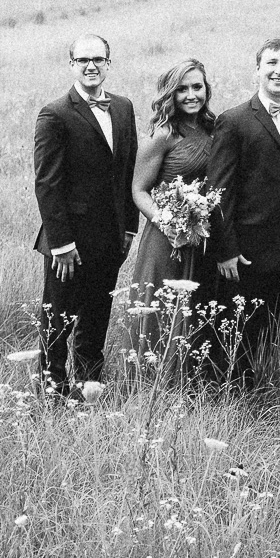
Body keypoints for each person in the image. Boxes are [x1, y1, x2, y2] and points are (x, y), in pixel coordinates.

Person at [207, 38, 280, 386]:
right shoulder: (234, 120)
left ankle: (271, 386)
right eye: (271, 62)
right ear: (258, 68)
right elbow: (219, 192)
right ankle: (232, 393)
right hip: (247, 251)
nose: (279, 70)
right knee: (242, 327)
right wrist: (225, 250)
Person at [31, 33, 139, 400]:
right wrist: (61, 244)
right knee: (59, 317)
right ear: (71, 65)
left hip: (110, 237)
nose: (90, 66)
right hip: (69, 242)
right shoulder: (55, 113)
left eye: (98, 59)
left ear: (109, 63)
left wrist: (128, 228)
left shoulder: (123, 108)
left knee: (97, 314)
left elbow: (127, 173)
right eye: (82, 60)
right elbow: (47, 184)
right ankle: (53, 389)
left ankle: (89, 386)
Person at [109, 56, 219, 375]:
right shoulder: (162, 136)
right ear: (171, 94)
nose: (191, 95)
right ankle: (151, 384)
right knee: (161, 311)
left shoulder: (215, 130)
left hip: (203, 236)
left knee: (197, 309)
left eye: (197, 87)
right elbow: (139, 190)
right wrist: (167, 221)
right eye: (182, 89)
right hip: (166, 238)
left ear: (206, 89)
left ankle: (193, 381)